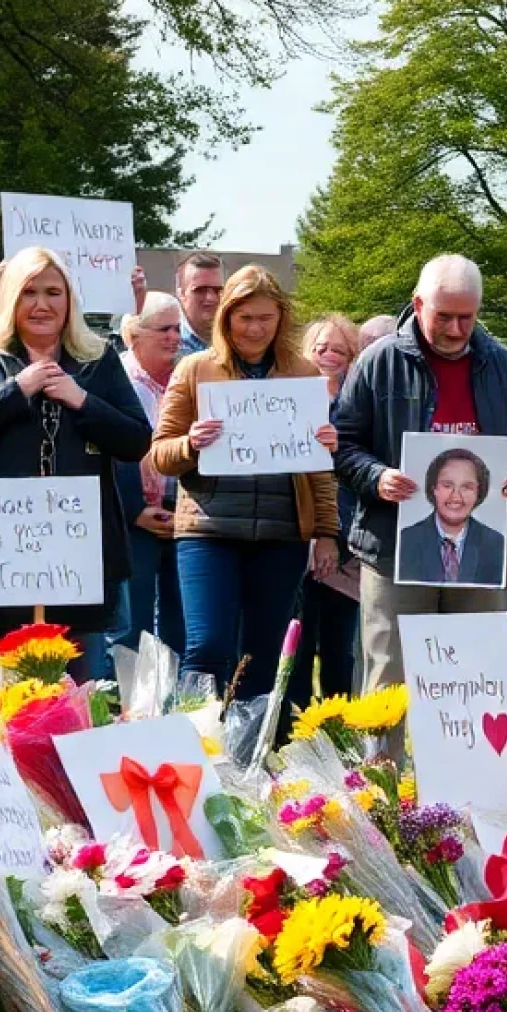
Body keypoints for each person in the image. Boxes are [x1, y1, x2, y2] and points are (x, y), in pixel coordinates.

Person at [334, 255, 507, 691]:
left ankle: (469, 762)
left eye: (466, 318)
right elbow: (343, 444)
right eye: (444, 317)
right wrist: (376, 476)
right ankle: (385, 763)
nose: (456, 330)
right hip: (392, 549)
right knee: (389, 679)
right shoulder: (376, 363)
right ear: (418, 305)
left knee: (476, 680)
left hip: (484, 556)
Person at [0, 247, 151, 675]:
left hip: (80, 554)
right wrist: (17, 389)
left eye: (53, 292)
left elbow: (135, 439)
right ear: (10, 299)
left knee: (80, 681)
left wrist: (81, 400)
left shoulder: (98, 358)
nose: (41, 304)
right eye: (28, 292)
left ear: (69, 300)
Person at [150, 266, 340, 699]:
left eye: (265, 318)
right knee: (207, 646)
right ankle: (196, 750)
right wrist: (191, 444)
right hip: (207, 529)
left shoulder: (305, 374)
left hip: (282, 533)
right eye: (245, 318)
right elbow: (160, 454)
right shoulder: (194, 370)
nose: (255, 329)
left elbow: (319, 471)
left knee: (262, 653)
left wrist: (327, 531)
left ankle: (249, 757)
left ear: (281, 319)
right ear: (226, 317)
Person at [286, 315, 363, 712]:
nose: (329, 356)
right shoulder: (287, 399)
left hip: (347, 542)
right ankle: (294, 728)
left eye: (340, 350)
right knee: (298, 639)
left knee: (339, 644)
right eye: (321, 348)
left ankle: (338, 729)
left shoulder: (357, 406)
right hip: (296, 533)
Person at [112, 292, 185, 654]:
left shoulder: (188, 377)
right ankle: (128, 708)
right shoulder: (116, 380)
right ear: (133, 335)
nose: (174, 337)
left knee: (182, 626)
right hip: (130, 520)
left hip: (184, 515)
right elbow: (107, 454)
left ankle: (182, 706)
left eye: (177, 328)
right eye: (163, 329)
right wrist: (135, 510)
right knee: (132, 628)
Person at [398, 448, 507, 585]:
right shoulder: (407, 539)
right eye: (447, 485)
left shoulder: (495, 543)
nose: (456, 496)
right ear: (434, 489)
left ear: (478, 493)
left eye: (466, 487)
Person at [174, 252, 225, 358]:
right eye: (200, 290)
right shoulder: (170, 344)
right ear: (181, 294)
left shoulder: (237, 341)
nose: (210, 298)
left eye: (217, 290)